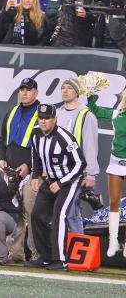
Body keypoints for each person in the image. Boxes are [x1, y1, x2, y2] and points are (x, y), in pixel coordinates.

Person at [26, 104, 86, 271]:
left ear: (54, 119)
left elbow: (81, 163)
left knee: (59, 215)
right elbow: (35, 155)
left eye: (47, 118)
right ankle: (45, 257)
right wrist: (35, 175)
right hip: (49, 180)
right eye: (41, 118)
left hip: (68, 181)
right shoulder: (35, 133)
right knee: (37, 215)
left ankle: (60, 260)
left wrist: (61, 183)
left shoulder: (65, 138)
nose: (43, 121)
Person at [0, 77, 41, 263]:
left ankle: (37, 254)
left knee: (31, 212)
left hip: (32, 174)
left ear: (36, 92)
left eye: (29, 89)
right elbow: (2, 139)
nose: (24, 93)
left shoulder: (43, 113)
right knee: (13, 211)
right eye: (22, 89)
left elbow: (42, 146)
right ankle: (15, 254)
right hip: (10, 171)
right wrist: (1, 158)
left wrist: (30, 166)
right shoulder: (12, 111)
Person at [86, 91, 126, 257]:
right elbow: (94, 109)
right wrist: (89, 95)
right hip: (117, 163)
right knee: (115, 202)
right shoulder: (117, 114)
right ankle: (113, 241)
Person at [56, 78, 99, 234]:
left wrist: (91, 174)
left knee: (72, 214)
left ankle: (76, 253)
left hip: (75, 172)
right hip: (56, 171)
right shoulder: (57, 113)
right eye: (62, 88)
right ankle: (59, 253)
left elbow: (90, 146)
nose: (65, 91)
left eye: (69, 88)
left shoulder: (86, 115)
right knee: (56, 215)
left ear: (77, 92)